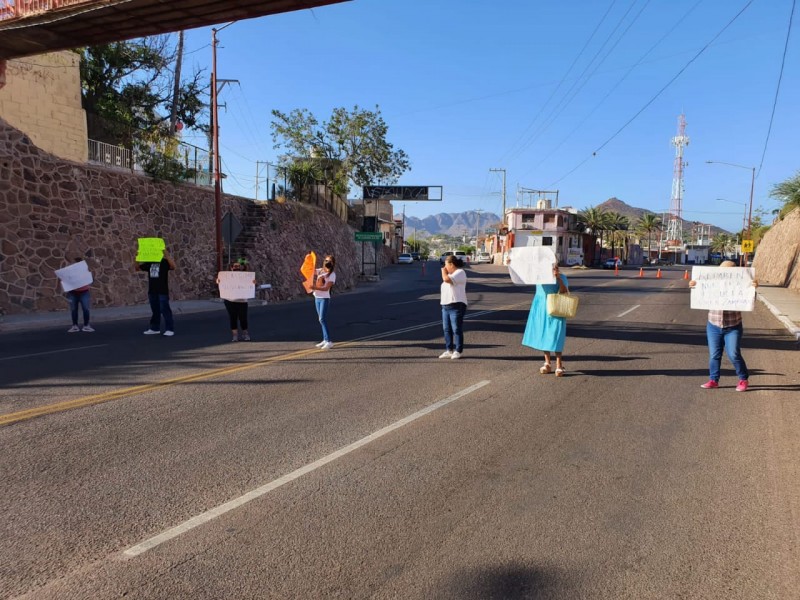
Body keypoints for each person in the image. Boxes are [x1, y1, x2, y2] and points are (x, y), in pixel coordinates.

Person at [689, 260, 756, 392]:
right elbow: (700, 292)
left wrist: (753, 288)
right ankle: (714, 380)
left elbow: (750, 300)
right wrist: (694, 285)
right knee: (714, 354)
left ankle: (743, 379)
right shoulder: (712, 282)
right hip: (713, 324)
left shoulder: (740, 283)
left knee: (734, 354)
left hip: (733, 326)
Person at [521, 262, 570, 376]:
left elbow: (564, 291)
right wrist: (511, 263)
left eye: (554, 266)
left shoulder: (561, 277)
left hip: (555, 307)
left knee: (556, 334)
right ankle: (547, 363)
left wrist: (558, 278)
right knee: (543, 334)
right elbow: (523, 274)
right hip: (540, 308)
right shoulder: (539, 277)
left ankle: (559, 365)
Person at [135, 248, 177, 336]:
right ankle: (155, 328)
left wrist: (167, 255)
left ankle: (169, 329)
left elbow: (173, 267)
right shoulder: (150, 263)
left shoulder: (164, 262)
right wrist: (137, 257)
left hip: (162, 290)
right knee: (155, 310)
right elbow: (137, 268)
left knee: (165, 309)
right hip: (152, 290)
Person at [439, 254, 468, 359]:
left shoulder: (460, 272)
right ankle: (449, 350)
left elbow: (446, 280)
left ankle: (458, 350)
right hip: (445, 306)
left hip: (456, 305)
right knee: (446, 329)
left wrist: (443, 271)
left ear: (451, 264)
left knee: (456, 329)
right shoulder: (451, 275)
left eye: (446, 265)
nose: (445, 267)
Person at [217, 260, 254, 342]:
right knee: (233, 318)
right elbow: (220, 282)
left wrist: (253, 282)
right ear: (231, 267)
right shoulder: (226, 276)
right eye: (235, 266)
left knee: (243, 318)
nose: (236, 268)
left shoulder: (246, 276)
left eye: (238, 266)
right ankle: (235, 335)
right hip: (229, 301)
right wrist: (218, 281)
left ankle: (245, 333)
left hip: (242, 301)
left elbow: (251, 285)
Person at [312, 254, 336, 350]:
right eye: (326, 260)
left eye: (329, 261)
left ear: (333, 263)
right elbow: (311, 271)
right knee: (320, 319)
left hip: (324, 298)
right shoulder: (320, 271)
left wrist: (314, 287)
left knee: (322, 319)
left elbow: (326, 288)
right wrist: (309, 263)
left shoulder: (332, 275)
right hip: (317, 297)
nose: (327, 262)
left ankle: (329, 341)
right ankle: (325, 340)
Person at [66, 258, 93, 333]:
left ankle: (86, 325)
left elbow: (90, 279)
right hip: (73, 293)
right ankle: (75, 326)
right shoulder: (70, 272)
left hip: (84, 292)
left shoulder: (85, 271)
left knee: (86, 309)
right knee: (74, 310)